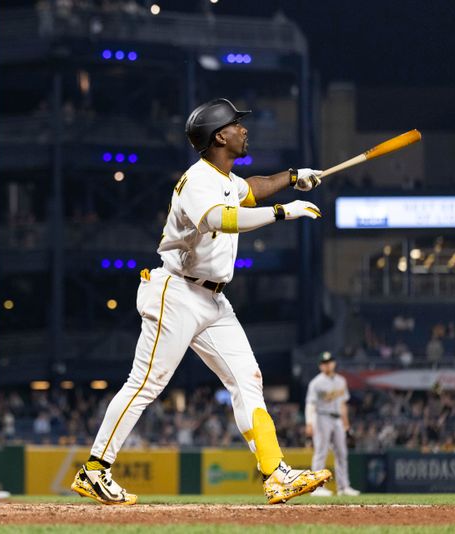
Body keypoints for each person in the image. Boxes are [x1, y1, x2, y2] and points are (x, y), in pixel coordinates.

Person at [71, 98, 332, 505]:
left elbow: (253, 189)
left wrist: (294, 176)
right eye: (236, 124)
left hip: (213, 300)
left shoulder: (225, 178)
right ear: (219, 136)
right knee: (145, 383)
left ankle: (275, 473)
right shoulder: (197, 181)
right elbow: (222, 218)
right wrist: (283, 212)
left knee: (248, 380)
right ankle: (95, 469)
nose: (244, 129)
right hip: (175, 292)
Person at [306, 351, 360, 497]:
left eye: (329, 362)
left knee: (342, 453)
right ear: (320, 366)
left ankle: (343, 487)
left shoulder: (341, 381)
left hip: (337, 419)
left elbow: (343, 403)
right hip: (322, 417)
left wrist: (346, 423)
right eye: (324, 363)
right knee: (321, 452)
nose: (327, 365)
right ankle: (316, 488)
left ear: (334, 363)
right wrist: (309, 423)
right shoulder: (316, 383)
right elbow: (310, 404)